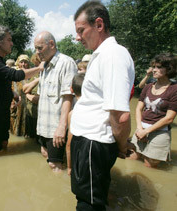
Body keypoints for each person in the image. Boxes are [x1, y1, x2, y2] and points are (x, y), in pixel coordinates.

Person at [70, 1, 135, 210]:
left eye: (81, 31)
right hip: (89, 142)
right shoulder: (102, 55)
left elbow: (120, 115)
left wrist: (121, 146)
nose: (77, 37)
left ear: (99, 24)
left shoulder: (113, 55)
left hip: (93, 143)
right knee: (90, 196)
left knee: (89, 203)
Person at [0, 25, 44, 156]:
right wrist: (40, 68)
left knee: (4, 145)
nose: (12, 43)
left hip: (3, 111)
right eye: (9, 39)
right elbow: (14, 75)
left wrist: (12, 94)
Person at [34, 31, 77, 172]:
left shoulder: (66, 63)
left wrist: (61, 127)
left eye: (39, 48)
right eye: (35, 48)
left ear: (51, 44)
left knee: (55, 165)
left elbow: (68, 97)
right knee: (45, 154)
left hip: (56, 127)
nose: (37, 52)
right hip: (43, 126)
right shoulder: (44, 66)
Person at [129, 53, 177, 168]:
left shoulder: (174, 89)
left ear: (169, 69)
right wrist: (140, 128)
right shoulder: (148, 86)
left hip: (159, 132)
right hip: (141, 129)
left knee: (149, 166)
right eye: (154, 67)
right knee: (131, 160)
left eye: (159, 67)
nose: (154, 70)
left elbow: (169, 118)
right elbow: (138, 108)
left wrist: (146, 132)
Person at [66, 73, 85, 176]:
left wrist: (69, 167)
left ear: (71, 90)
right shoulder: (101, 108)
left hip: (81, 155)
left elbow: (69, 144)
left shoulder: (73, 114)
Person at [10, 54, 30, 136]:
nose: (23, 64)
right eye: (21, 62)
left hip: (27, 104)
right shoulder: (13, 74)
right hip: (15, 103)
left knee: (26, 123)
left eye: (25, 62)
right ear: (18, 63)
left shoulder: (30, 74)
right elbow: (7, 88)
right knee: (15, 126)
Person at [23, 53, 41, 139]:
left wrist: (27, 96)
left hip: (39, 114)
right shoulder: (35, 74)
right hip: (30, 111)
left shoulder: (45, 76)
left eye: (37, 64)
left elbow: (39, 99)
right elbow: (25, 89)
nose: (36, 67)